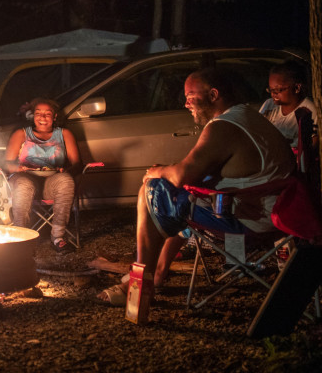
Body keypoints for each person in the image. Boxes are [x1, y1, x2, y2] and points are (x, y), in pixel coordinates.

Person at [97, 68, 295, 306]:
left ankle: (142, 282)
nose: (186, 104)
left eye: (191, 97)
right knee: (177, 193)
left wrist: (157, 171)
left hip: (251, 218)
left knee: (151, 190)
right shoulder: (245, 115)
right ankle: (155, 271)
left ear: (213, 95)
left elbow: (182, 174)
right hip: (271, 209)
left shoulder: (224, 127)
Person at [4, 97, 82, 252]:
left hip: (51, 182)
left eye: (48, 114)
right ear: (33, 116)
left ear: (54, 117)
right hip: (25, 179)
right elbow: (7, 164)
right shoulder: (21, 134)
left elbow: (77, 164)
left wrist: (64, 171)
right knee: (24, 184)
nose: (43, 117)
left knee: (65, 180)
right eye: (39, 113)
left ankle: (58, 237)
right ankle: (21, 237)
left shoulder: (64, 134)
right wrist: (19, 169)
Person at [259, 60, 318, 149]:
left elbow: (310, 148)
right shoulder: (269, 105)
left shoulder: (308, 111)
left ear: (297, 88)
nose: (273, 94)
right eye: (271, 90)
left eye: (278, 90)